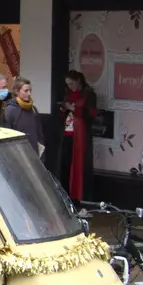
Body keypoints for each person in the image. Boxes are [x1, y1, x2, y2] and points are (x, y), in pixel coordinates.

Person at [58, 70, 98, 202]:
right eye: (67, 84)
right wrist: (64, 109)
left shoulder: (89, 94)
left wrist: (75, 109)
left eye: (71, 83)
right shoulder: (68, 94)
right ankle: (66, 193)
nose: (69, 86)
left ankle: (80, 196)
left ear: (78, 81)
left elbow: (91, 114)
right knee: (66, 163)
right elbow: (62, 114)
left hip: (81, 135)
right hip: (68, 132)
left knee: (80, 164)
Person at [0, 76, 45, 158]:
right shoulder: (10, 109)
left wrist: (41, 148)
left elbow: (39, 132)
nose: (29, 93)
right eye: (26, 91)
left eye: (30, 90)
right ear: (17, 91)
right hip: (18, 154)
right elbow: (6, 134)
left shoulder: (33, 109)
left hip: (34, 153)